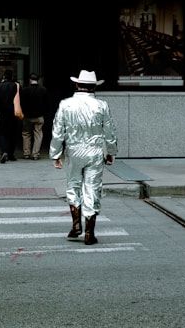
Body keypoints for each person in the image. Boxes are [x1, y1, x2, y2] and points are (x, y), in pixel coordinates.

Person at [49, 70, 118, 245]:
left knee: (73, 186)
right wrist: (111, 151)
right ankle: (89, 232)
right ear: (94, 87)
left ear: (76, 85)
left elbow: (58, 132)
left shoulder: (65, 104)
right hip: (94, 153)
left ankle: (75, 225)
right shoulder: (102, 105)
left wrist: (55, 154)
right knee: (92, 189)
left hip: (73, 152)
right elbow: (109, 132)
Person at [0, 70, 20, 163]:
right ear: (12, 76)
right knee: (12, 133)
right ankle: (11, 153)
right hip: (13, 112)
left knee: (3, 133)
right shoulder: (15, 86)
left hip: (2, 113)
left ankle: (4, 151)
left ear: (4, 76)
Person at [21, 72, 50, 160]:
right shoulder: (43, 90)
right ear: (38, 80)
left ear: (30, 79)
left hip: (27, 116)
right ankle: (35, 154)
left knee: (26, 134)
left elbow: (22, 103)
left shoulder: (25, 90)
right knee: (38, 134)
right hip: (39, 116)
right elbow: (46, 104)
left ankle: (26, 153)